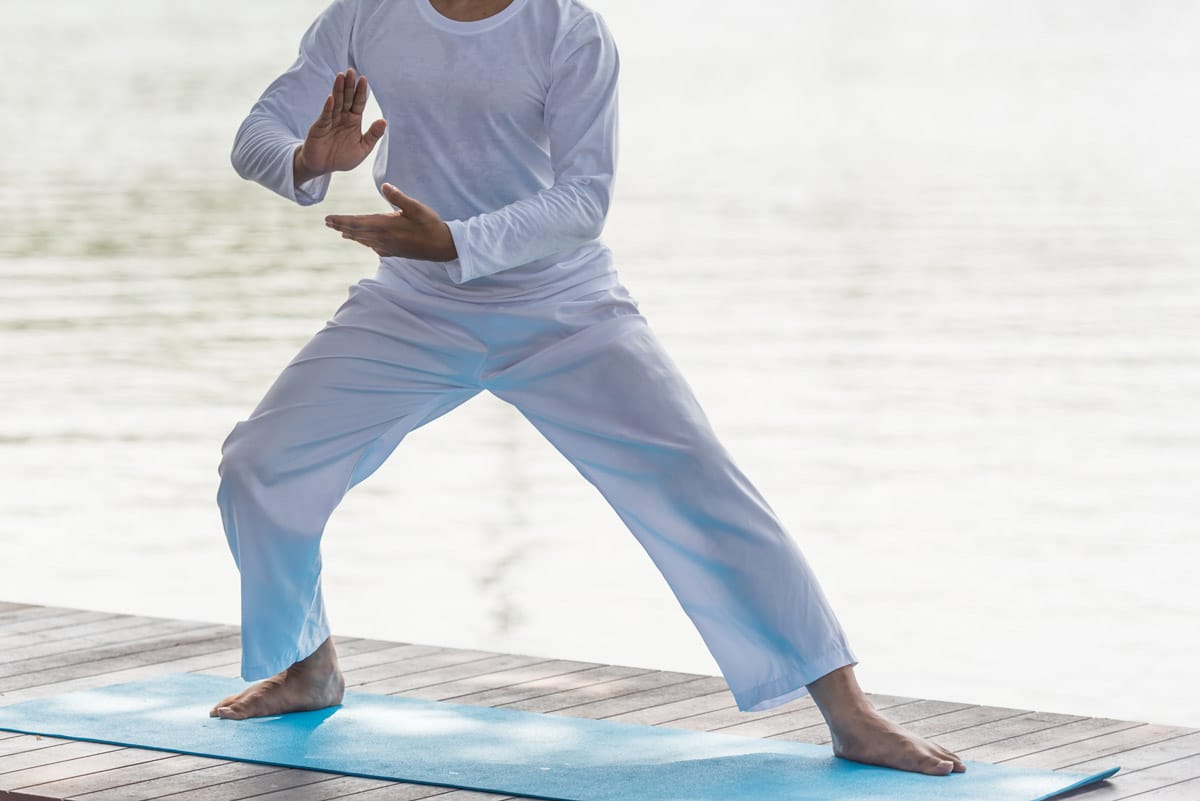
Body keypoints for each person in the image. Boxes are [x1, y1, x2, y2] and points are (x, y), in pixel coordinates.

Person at [210, 0, 966, 777]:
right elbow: (255, 137)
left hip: (560, 307)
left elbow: (583, 200)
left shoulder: (567, 30)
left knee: (698, 482)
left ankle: (851, 713)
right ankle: (309, 666)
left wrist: (459, 242)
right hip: (415, 305)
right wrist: (307, 159)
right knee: (260, 464)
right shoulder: (368, 15)